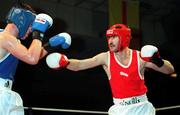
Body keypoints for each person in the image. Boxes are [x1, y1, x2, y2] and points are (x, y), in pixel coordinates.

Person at [46, 23, 175, 115]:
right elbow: (80, 64)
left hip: (142, 108)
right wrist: (65, 62)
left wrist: (157, 60)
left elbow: (169, 70)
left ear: (124, 38)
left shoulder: (140, 57)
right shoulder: (105, 58)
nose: (110, 41)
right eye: (109, 38)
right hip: (119, 109)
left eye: (114, 37)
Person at [0, 3, 71, 115]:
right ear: (22, 20)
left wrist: (51, 45)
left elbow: (33, 55)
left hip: (6, 92)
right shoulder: (4, 38)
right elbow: (32, 58)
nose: (31, 30)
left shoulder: (10, 40)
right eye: (31, 25)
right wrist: (38, 33)